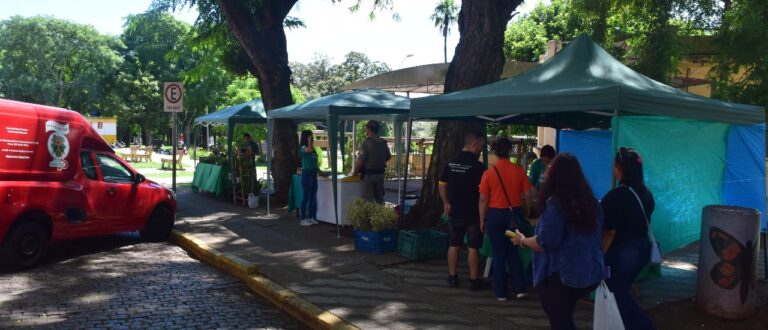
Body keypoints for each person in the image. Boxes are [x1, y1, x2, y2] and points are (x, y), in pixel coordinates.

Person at [511, 153, 605, 330]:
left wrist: (523, 240)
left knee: (560, 322)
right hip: (588, 272)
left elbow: (545, 242)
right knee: (565, 320)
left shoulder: (557, 205)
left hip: (562, 275)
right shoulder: (593, 203)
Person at [601, 147, 656, 330]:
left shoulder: (616, 195)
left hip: (623, 253)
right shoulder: (647, 194)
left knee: (616, 294)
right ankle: (644, 326)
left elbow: (609, 232)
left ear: (619, 167)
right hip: (643, 250)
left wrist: (600, 255)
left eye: (614, 166)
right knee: (620, 291)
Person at [479, 137, 532, 301]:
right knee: (513, 251)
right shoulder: (519, 171)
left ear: (495, 152)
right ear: (510, 151)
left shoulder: (488, 173)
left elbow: (483, 200)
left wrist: (482, 219)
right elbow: (528, 195)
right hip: (512, 218)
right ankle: (519, 289)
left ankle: (501, 293)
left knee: (498, 253)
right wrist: (527, 212)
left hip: (495, 217)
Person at [439, 131, 486, 290]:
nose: (481, 149)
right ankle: (474, 281)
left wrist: (446, 202)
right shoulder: (479, 167)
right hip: (473, 212)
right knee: (473, 247)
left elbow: (441, 185)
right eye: (480, 145)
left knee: (454, 244)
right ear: (474, 144)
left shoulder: (450, 162)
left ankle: (452, 277)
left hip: (454, 211)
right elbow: (484, 193)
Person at [352, 120, 391, 204]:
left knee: (367, 201)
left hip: (368, 176)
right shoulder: (383, 142)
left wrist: (354, 173)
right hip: (380, 175)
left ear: (369, 129)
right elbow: (388, 156)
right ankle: (381, 216)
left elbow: (360, 161)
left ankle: (368, 217)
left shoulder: (366, 143)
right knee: (380, 200)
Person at [298, 130, 319, 226]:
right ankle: (303, 219)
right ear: (306, 137)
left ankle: (311, 217)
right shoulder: (303, 148)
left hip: (314, 173)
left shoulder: (313, 148)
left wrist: (320, 171)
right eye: (310, 136)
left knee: (313, 197)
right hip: (306, 174)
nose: (312, 138)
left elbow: (314, 159)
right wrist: (309, 141)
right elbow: (309, 150)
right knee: (306, 197)